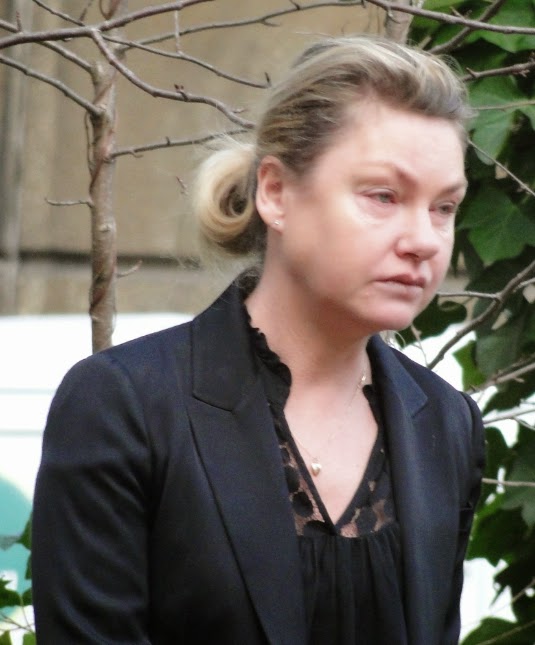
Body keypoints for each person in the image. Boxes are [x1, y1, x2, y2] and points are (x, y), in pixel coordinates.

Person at [32, 35, 486, 645]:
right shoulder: (126, 406)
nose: (424, 240)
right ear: (275, 192)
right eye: (383, 196)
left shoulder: (448, 425)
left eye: (444, 207)